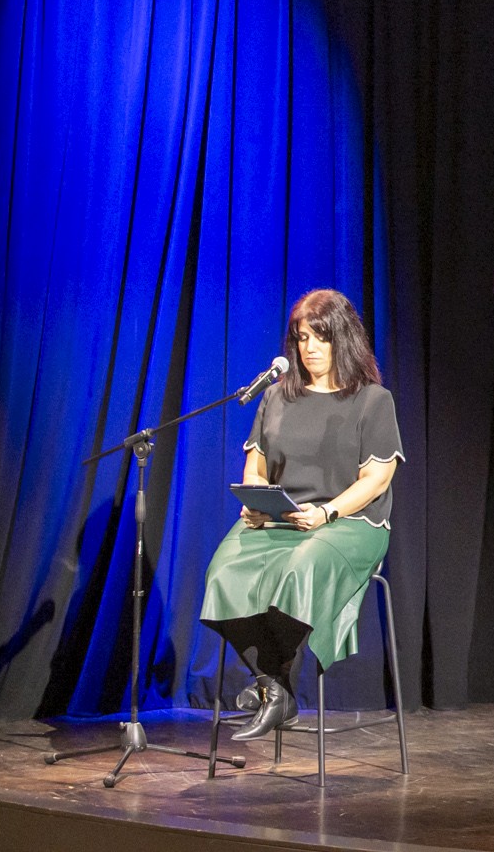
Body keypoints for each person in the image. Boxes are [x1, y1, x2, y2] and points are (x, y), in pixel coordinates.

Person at [199, 289, 402, 740]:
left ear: (343, 339)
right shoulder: (276, 396)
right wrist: (256, 500)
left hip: (349, 523)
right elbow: (256, 468)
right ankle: (275, 687)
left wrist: (326, 513)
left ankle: (272, 687)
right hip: (281, 519)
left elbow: (376, 479)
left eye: (320, 337)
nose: (309, 348)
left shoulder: (372, 400)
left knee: (302, 565)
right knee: (223, 571)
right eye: (301, 337)